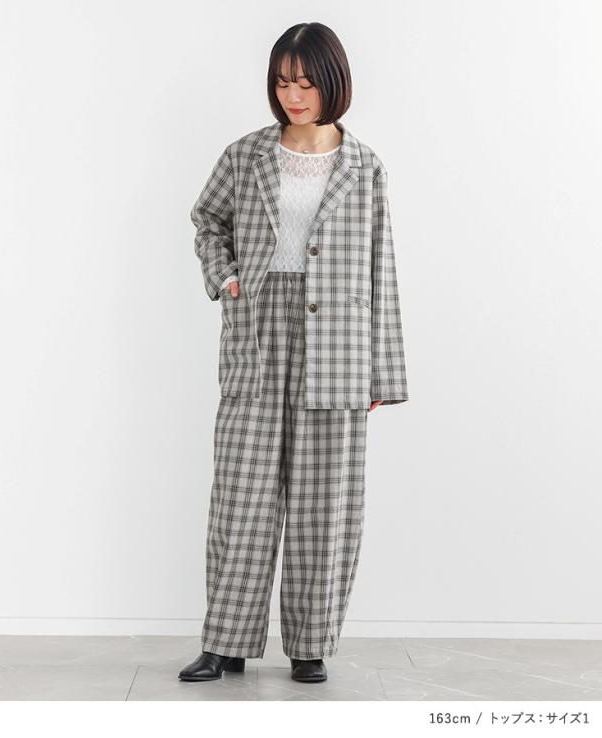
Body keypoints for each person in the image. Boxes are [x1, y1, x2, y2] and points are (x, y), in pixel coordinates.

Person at [179, 21, 409, 684]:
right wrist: (226, 277)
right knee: (242, 494)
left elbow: (381, 264)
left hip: (338, 341)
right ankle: (225, 642)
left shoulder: (364, 166)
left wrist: (382, 370)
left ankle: (310, 645)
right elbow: (207, 221)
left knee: (324, 499)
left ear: (333, 83)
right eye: (283, 83)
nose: (294, 95)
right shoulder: (244, 154)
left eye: (306, 82)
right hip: (257, 331)